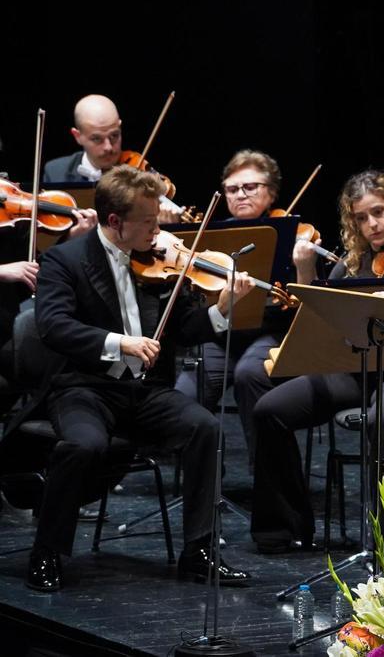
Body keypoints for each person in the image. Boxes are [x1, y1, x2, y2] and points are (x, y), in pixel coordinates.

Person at [24, 165, 255, 592]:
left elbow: (184, 326)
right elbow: (53, 325)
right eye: (148, 221)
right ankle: (47, 552)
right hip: (84, 387)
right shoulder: (65, 260)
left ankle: (199, 552)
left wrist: (222, 309)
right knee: (83, 445)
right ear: (116, 222)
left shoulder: (158, 262)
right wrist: (120, 342)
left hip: (143, 391)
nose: (158, 229)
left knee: (205, 428)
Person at [249, 170, 384, 552]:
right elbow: (316, 326)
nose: (372, 224)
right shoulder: (350, 267)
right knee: (269, 409)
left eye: (378, 212)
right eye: (361, 218)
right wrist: (306, 272)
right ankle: (285, 528)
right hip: (361, 369)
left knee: (383, 418)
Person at [174, 150, 310, 465]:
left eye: (250, 187)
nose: (240, 195)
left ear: (271, 192)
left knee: (251, 374)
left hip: (270, 334)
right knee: (184, 393)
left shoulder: (292, 236)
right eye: (233, 189)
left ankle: (267, 473)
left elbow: (306, 306)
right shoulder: (213, 236)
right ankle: (205, 476)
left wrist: (304, 267)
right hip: (223, 333)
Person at [42, 95, 123, 184]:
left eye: (114, 135)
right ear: (77, 136)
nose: (108, 147)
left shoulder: (137, 172)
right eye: (97, 139)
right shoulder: (55, 172)